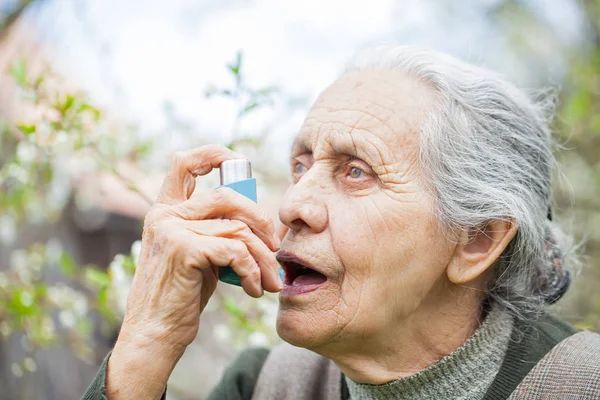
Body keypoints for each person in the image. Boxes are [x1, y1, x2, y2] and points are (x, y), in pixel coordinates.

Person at [83, 46, 600, 400]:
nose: (291, 206)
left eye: (357, 172)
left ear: (477, 240)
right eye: (301, 166)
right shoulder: (264, 387)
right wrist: (145, 348)